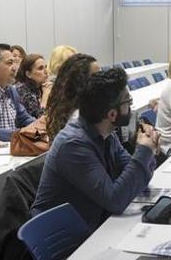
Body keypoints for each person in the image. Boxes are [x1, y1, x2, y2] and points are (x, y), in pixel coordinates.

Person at [33, 67, 159, 232]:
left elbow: (137, 178)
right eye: (127, 102)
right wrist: (144, 151)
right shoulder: (73, 145)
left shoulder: (106, 132)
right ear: (112, 114)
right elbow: (116, 201)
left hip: (94, 222)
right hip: (68, 238)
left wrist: (148, 150)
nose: (130, 106)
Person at [44, 53, 99, 140]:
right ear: (81, 82)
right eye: (97, 77)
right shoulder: (78, 118)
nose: (102, 80)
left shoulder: (67, 107)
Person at [13, 53, 51, 118]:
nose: (46, 71)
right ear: (28, 74)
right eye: (40, 68)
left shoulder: (43, 87)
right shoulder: (22, 90)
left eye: (46, 67)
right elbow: (39, 119)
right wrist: (45, 96)